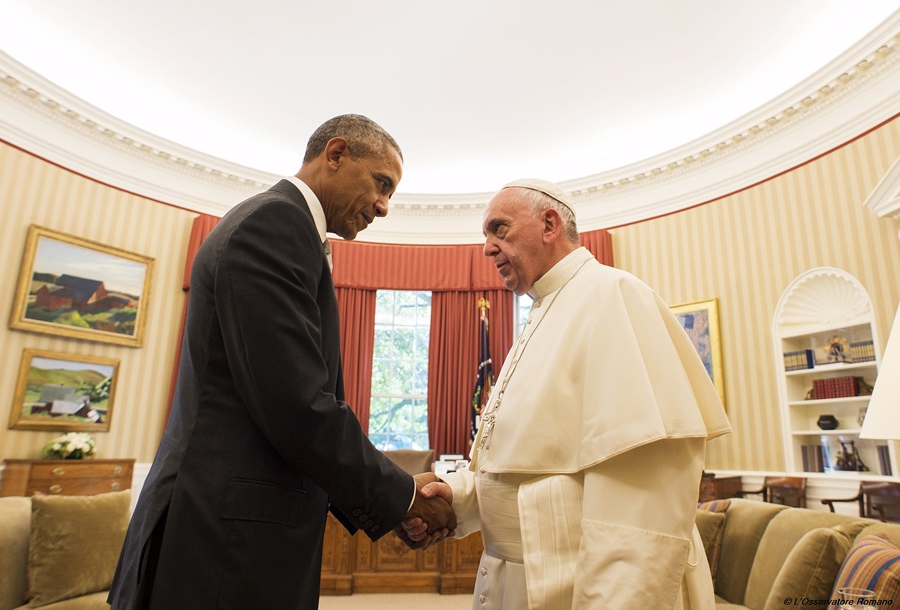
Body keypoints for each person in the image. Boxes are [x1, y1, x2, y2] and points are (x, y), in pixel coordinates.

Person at [109, 114, 455, 610]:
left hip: (237, 533)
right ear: (335, 154)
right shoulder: (274, 224)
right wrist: (400, 495)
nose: (383, 207)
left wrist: (393, 493)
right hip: (222, 542)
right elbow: (297, 406)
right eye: (382, 185)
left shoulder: (288, 229)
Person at [401, 179, 732, 609]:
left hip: (582, 586)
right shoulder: (542, 313)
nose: (486, 248)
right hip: (521, 578)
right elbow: (529, 472)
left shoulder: (613, 295)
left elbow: (639, 503)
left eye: (498, 229)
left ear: (550, 224)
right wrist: (460, 496)